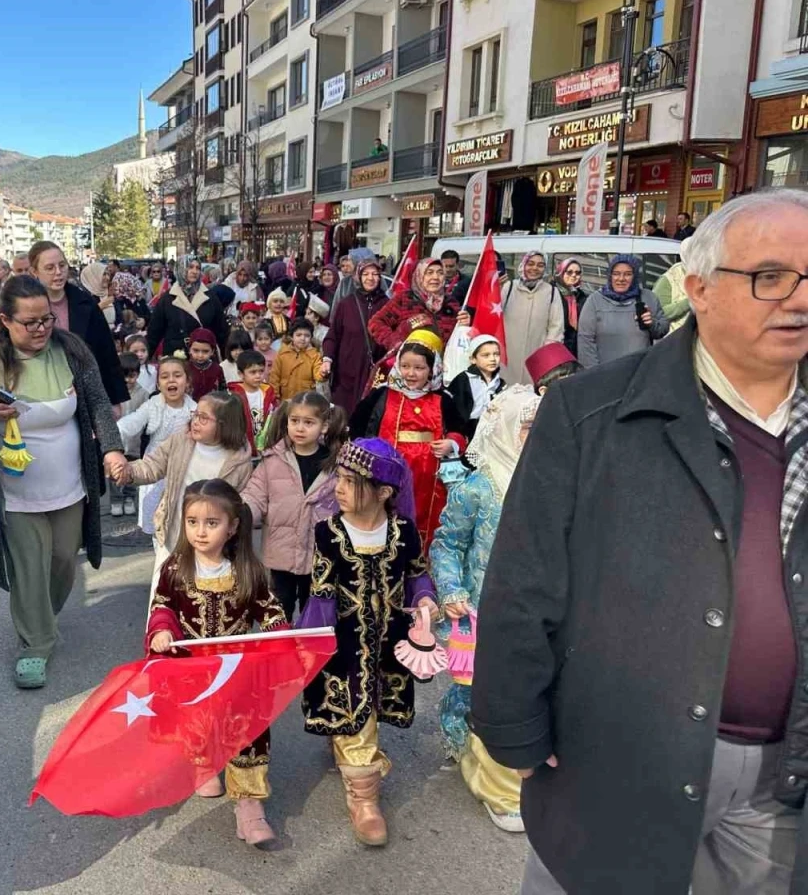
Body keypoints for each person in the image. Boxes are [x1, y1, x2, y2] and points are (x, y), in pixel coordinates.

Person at [473, 190, 808, 894]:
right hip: (618, 753)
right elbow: (524, 580)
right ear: (700, 289)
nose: (796, 299)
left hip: (784, 778)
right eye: (770, 276)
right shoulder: (589, 413)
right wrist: (514, 723)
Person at [0, 275, 126, 690]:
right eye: (30, 322)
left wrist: (111, 449)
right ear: (4, 320)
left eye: (45, 318)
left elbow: (98, 402)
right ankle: (35, 644)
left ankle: (38, 614)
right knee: (29, 566)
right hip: (13, 491)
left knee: (64, 558)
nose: (42, 328)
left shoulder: (72, 350)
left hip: (69, 484)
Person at [297, 437, 440, 846]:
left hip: (390, 643)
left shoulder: (404, 531)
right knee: (357, 713)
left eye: (350, 481)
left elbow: (416, 574)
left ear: (383, 492)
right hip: (344, 648)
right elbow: (321, 591)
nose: (338, 487)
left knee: (372, 707)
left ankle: (348, 747)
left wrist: (425, 598)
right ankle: (364, 798)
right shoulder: (329, 533)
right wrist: (311, 644)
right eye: (338, 478)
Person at [147, 479, 288, 849]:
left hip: (240, 673)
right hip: (193, 673)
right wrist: (161, 631)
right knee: (199, 722)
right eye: (192, 522)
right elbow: (162, 605)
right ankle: (204, 763)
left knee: (248, 733)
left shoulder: (249, 571)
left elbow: (270, 611)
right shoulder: (175, 568)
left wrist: (278, 633)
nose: (200, 531)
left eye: (211, 523)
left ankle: (250, 807)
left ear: (233, 526)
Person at [429, 386, 540, 834]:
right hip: (481, 607)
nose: (537, 435)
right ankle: (491, 778)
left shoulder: (552, 481)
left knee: (529, 688)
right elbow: (448, 543)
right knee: (479, 690)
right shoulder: (477, 488)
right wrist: (452, 589)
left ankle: (522, 766)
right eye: (529, 426)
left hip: (536, 607)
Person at [119, 391, 254, 599]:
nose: (195, 422)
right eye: (194, 415)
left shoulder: (239, 462)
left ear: (225, 425)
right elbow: (152, 466)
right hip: (173, 536)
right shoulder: (180, 441)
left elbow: (242, 505)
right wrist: (127, 472)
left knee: (201, 604)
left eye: (203, 418)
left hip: (213, 549)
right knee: (164, 599)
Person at [349, 331, 468, 550]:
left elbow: (460, 431)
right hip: (387, 472)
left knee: (423, 523)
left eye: (419, 368)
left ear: (432, 369)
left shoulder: (443, 399)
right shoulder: (381, 395)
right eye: (405, 366)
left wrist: (451, 443)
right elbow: (357, 429)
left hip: (429, 476)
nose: (410, 374)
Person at [242, 391, 346, 622]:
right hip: (281, 556)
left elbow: (347, 505)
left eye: (309, 422)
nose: (300, 428)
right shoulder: (273, 461)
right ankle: (280, 655)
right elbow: (255, 496)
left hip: (321, 557)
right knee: (279, 614)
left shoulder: (338, 465)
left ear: (325, 426)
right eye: (294, 421)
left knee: (316, 617)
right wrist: (240, 514)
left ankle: (311, 656)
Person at [28, 241, 130, 411]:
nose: (58, 273)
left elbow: (105, 351)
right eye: (50, 268)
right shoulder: (24, 305)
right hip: (38, 393)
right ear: (34, 272)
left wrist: (114, 398)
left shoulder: (85, 303)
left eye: (62, 265)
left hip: (81, 391)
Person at [116, 355, 196, 539]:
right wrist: (113, 434)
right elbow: (132, 422)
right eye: (165, 376)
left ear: (187, 381)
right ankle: (157, 549)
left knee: (182, 515)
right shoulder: (152, 406)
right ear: (158, 384)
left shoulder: (195, 409)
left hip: (183, 465)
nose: (171, 380)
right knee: (154, 515)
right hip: (155, 465)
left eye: (177, 375)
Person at [367, 256, 463, 374]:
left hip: (440, 372)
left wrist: (465, 325)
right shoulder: (405, 299)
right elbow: (375, 323)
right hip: (408, 371)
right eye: (429, 273)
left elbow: (458, 337)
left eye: (440, 273)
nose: (435, 277)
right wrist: (395, 343)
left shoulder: (451, 304)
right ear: (419, 275)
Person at [576, 254, 668, 369]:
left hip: (639, 372)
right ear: (610, 275)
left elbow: (663, 329)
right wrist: (593, 373)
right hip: (605, 373)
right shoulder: (595, 301)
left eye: (628, 274)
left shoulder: (648, 297)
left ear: (635, 276)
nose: (621, 279)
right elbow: (586, 340)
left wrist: (651, 323)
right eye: (616, 274)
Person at [321, 257, 387, 409]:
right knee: (345, 415)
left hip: (376, 373)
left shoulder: (388, 304)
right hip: (347, 372)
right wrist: (327, 359)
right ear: (359, 277)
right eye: (366, 274)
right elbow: (332, 336)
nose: (370, 278)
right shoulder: (347, 304)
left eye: (375, 274)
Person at [497, 251, 564, 385]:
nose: (534, 268)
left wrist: (546, 355)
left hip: (536, 358)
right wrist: (496, 288)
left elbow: (556, 327)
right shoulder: (508, 287)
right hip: (507, 358)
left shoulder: (551, 292)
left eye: (540, 265)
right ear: (523, 265)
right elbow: (493, 315)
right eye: (531, 264)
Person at [145, 259, 229, 358]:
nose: (195, 271)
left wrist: (228, 359)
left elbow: (222, 332)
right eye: (190, 267)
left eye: (198, 268)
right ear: (181, 268)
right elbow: (154, 334)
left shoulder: (210, 297)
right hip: (175, 359)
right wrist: (143, 361)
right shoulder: (167, 298)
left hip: (203, 357)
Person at [110, 353, 149, 518]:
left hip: (134, 441)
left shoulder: (143, 393)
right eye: (124, 376)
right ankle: (116, 499)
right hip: (116, 440)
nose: (127, 380)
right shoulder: (113, 391)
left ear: (138, 374)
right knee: (114, 471)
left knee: (132, 470)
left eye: (132, 376)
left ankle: (129, 498)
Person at [445, 332, 505, 441]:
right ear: (473, 359)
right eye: (486, 355)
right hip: (467, 432)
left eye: (496, 354)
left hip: (491, 433)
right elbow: (452, 410)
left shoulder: (500, 383)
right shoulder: (462, 380)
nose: (493, 359)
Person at [228, 348, 278, 453]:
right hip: (242, 447)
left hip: (265, 446)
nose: (258, 376)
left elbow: (274, 416)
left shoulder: (268, 392)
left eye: (261, 371)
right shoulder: (234, 395)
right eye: (253, 372)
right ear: (241, 374)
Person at [269, 318, 322, 402]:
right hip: (285, 399)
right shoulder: (283, 353)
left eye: (307, 335)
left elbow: (318, 374)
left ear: (311, 337)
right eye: (298, 335)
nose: (303, 338)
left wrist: (324, 373)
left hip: (305, 400)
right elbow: (274, 377)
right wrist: (275, 397)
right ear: (292, 336)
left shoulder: (315, 355)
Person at [653, 247, 693, 333]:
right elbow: (659, 312)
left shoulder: (709, 275)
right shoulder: (670, 278)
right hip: (675, 338)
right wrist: (689, 302)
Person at [553, 258, 587, 358]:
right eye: (569, 272)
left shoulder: (582, 297)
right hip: (554, 347)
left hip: (574, 350)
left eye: (577, 273)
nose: (573, 275)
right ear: (561, 272)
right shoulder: (550, 292)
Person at [186, 326, 225, 400]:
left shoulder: (217, 369)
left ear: (212, 351)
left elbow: (223, 393)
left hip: (212, 407)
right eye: (196, 350)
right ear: (190, 349)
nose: (200, 355)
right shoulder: (185, 368)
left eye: (205, 351)